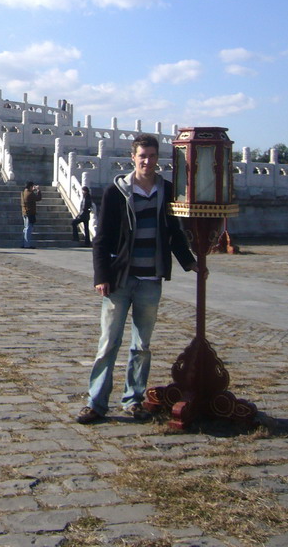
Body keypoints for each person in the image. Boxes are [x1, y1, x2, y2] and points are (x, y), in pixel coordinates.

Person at [76, 133, 197, 424]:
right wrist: (101, 276)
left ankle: (133, 400)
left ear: (158, 159)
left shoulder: (167, 191)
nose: (147, 161)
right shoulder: (116, 192)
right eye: (142, 156)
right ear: (133, 157)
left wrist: (191, 263)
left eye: (152, 156)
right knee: (108, 343)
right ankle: (96, 403)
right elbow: (101, 239)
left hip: (151, 278)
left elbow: (174, 234)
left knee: (141, 346)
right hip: (120, 279)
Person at [20, 181, 42, 249]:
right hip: (29, 213)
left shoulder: (24, 192)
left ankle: (24, 243)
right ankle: (27, 244)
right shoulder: (29, 194)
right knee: (28, 229)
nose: (33, 187)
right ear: (30, 187)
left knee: (25, 229)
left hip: (25, 212)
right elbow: (38, 198)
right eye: (33, 186)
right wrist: (38, 190)